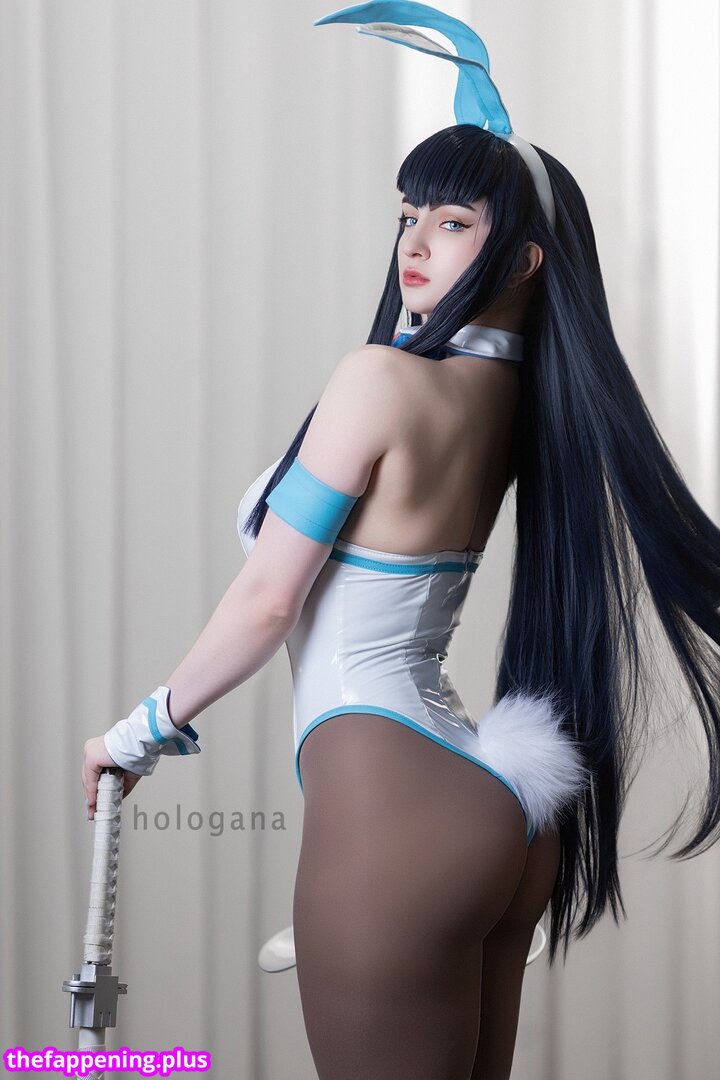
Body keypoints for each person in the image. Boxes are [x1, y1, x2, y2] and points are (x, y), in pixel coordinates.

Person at [82, 4, 720, 1077]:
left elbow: (270, 600)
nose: (415, 244)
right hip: (491, 808)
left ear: (522, 258)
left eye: (453, 221)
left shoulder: (378, 380)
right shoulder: (519, 403)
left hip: (395, 810)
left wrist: (137, 734)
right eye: (407, 216)